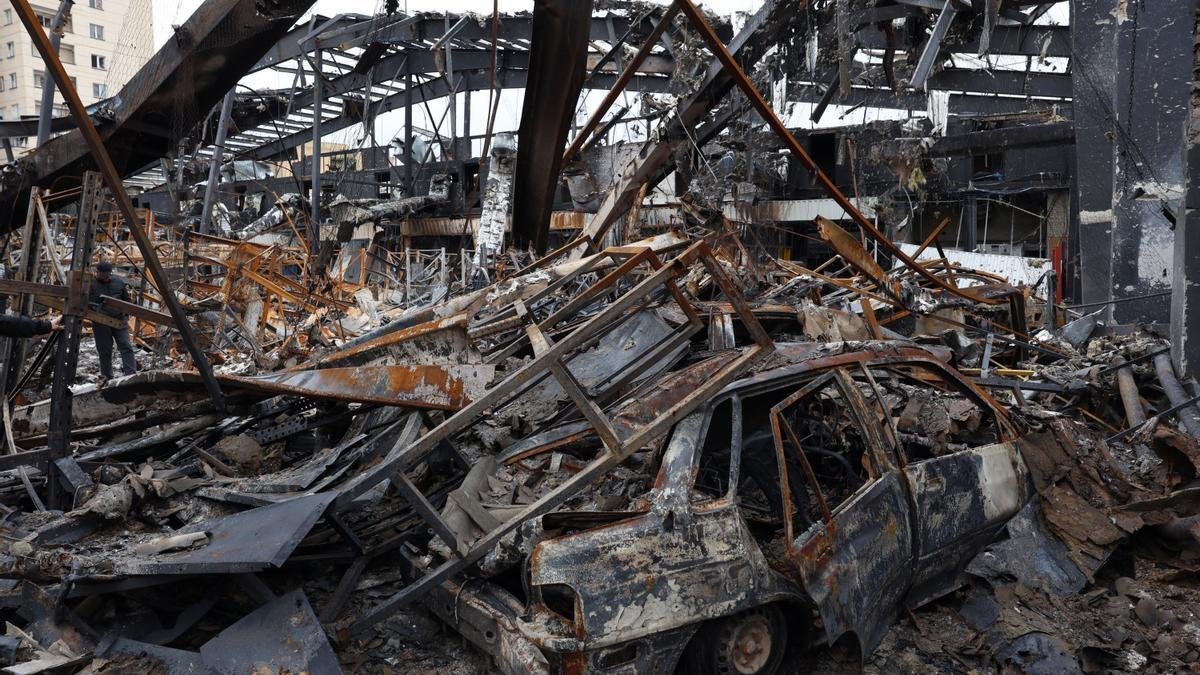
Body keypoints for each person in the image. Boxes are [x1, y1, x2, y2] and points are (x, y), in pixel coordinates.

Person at [89, 261, 137, 379]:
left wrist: (126, 312)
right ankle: (107, 378)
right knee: (105, 351)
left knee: (126, 346)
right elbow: (84, 303)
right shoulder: (90, 284)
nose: (106, 278)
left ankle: (131, 375)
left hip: (119, 320)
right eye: (103, 275)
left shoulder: (118, 282)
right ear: (97, 272)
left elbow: (127, 300)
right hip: (100, 322)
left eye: (108, 275)